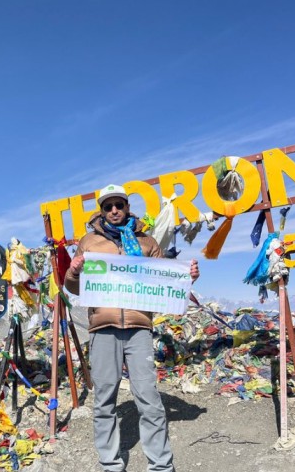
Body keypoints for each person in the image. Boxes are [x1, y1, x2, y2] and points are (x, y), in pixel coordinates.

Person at [65, 184, 199, 472]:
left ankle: (161, 465)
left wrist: (186, 277)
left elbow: (166, 279)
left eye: (119, 205)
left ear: (127, 207)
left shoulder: (147, 242)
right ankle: (111, 464)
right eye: (108, 206)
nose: (114, 210)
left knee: (149, 397)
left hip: (139, 327)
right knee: (104, 399)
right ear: (101, 210)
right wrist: (73, 271)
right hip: (103, 328)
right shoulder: (88, 242)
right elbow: (74, 287)